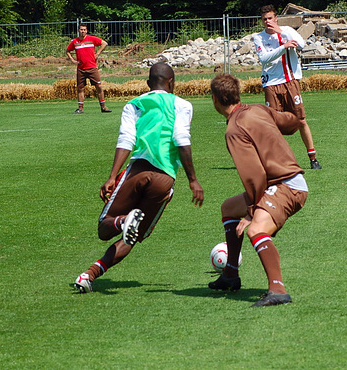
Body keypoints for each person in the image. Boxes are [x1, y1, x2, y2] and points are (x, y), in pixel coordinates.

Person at [73, 62, 204, 293]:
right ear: (172, 83)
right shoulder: (183, 105)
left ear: (147, 84)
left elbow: (126, 139)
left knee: (105, 227)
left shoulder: (134, 104)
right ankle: (89, 275)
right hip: (165, 179)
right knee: (131, 238)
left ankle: (123, 221)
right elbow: (181, 138)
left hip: (138, 171)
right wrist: (193, 179)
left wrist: (112, 176)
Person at [208, 73, 308, 307]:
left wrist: (252, 212)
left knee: (255, 229)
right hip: (279, 183)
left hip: (287, 185)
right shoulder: (257, 110)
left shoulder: (233, 129)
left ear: (215, 100)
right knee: (229, 208)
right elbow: (292, 123)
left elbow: (255, 176)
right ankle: (231, 274)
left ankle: (278, 290)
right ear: (237, 94)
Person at [253, 4, 322, 169]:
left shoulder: (287, 30)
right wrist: (284, 46)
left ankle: (313, 158)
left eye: (270, 18)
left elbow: (301, 44)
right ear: (262, 22)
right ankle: (277, 160)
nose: (268, 22)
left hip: (290, 81)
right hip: (271, 84)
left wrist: (281, 32)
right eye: (265, 19)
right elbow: (264, 59)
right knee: (273, 124)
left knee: (301, 120)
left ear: (276, 18)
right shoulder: (259, 37)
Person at [66, 23, 111, 114]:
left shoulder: (91, 39)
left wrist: (97, 53)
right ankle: (80, 108)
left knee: (98, 86)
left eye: (84, 30)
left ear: (86, 31)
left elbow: (104, 43)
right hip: (81, 68)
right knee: (80, 88)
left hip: (92, 68)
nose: (83, 31)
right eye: (81, 29)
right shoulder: (75, 41)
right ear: (78, 30)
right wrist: (73, 60)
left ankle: (103, 107)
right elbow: (67, 51)